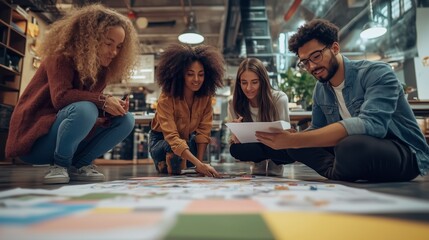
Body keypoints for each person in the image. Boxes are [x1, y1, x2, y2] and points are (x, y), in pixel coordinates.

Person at [255, 19, 429, 182]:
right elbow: (318, 128)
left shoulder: (376, 73)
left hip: (404, 151)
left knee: (350, 146)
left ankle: (341, 169)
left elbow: (373, 125)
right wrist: (294, 138)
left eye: (316, 56)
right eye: (305, 62)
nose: (312, 67)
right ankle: (344, 170)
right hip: (353, 151)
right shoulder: (321, 89)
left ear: (335, 48)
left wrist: (296, 140)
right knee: (296, 145)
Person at [5, 4, 139, 184]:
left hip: (62, 131)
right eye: (108, 43)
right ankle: (60, 166)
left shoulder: (102, 70)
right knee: (86, 110)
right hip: (34, 141)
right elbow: (61, 98)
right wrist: (103, 100)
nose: (114, 52)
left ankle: (82, 164)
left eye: (119, 47)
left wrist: (111, 109)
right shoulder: (61, 56)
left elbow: (84, 104)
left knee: (126, 119)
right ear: (90, 38)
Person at [149, 43, 224, 177]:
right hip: (161, 142)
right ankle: (164, 162)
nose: (196, 79)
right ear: (180, 75)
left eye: (201, 74)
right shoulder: (166, 97)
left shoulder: (205, 97)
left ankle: (175, 163)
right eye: (190, 74)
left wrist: (199, 164)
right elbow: (171, 137)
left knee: (189, 147)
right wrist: (199, 165)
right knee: (171, 147)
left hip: (187, 141)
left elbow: (203, 132)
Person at [228, 58, 294, 176]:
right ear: (239, 83)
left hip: (277, 146)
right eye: (244, 82)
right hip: (254, 147)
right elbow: (234, 140)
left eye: (254, 82)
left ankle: (274, 165)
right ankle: (259, 163)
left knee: (290, 150)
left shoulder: (279, 98)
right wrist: (236, 136)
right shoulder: (234, 102)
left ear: (263, 82)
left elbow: (287, 137)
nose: (248, 88)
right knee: (235, 149)